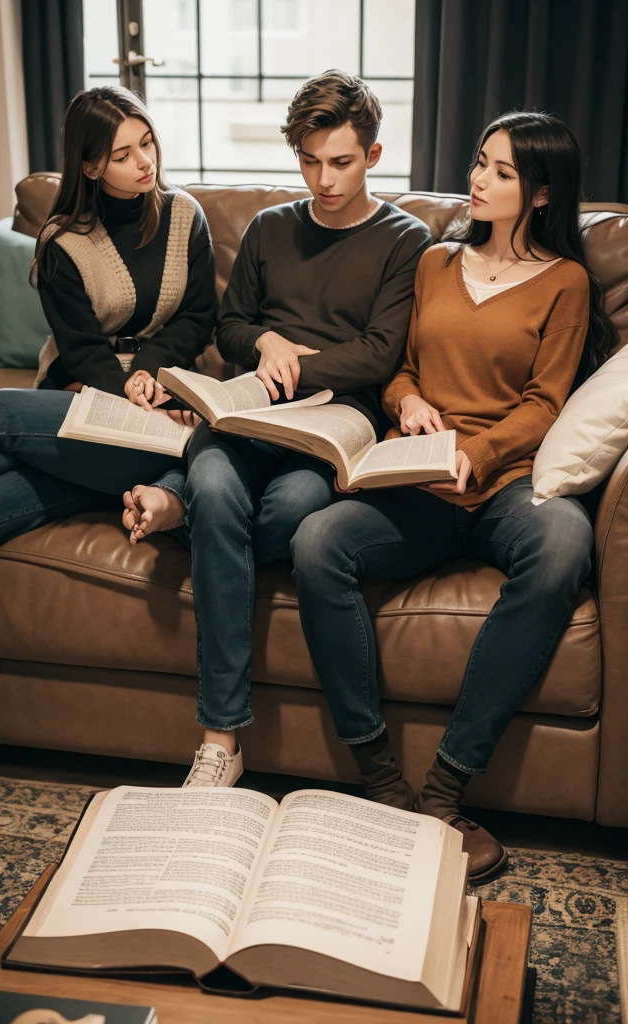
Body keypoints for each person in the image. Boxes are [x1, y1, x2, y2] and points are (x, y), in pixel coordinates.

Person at [289, 111, 618, 884]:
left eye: (501, 172)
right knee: (316, 545)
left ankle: (445, 789)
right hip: (417, 480)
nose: (478, 179)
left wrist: (475, 453)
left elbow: (545, 401)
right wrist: (407, 407)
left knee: (565, 544)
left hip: (506, 482)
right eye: (480, 163)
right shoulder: (435, 261)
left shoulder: (565, 282)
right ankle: (379, 777)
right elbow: (399, 369)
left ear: (539, 194)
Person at [121, 70, 432, 788]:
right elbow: (230, 326)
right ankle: (221, 737)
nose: (324, 179)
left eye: (342, 162)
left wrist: (297, 357)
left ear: (374, 156)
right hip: (250, 405)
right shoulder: (268, 228)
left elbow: (379, 352)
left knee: (291, 510)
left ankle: (178, 514)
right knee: (214, 477)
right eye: (309, 161)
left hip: (334, 416)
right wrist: (262, 346)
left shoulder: (404, 239)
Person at [0, 85, 216, 562]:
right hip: (82, 388)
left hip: (164, 395)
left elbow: (197, 317)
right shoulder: (62, 240)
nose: (145, 161)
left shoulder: (185, 216)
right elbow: (80, 347)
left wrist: (149, 374)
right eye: (123, 154)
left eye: (147, 142)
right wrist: (125, 386)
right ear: (90, 166)